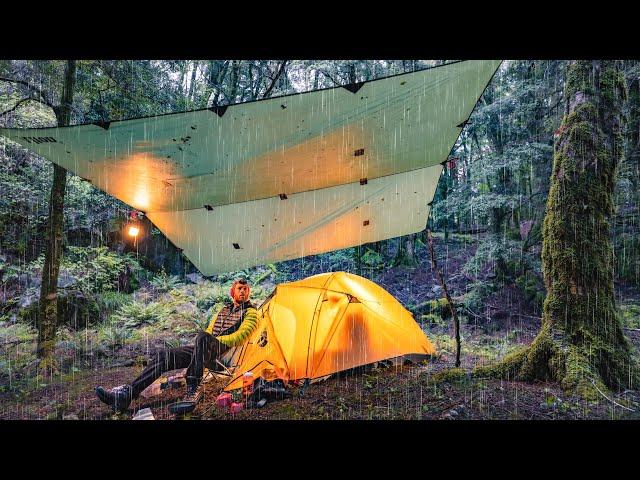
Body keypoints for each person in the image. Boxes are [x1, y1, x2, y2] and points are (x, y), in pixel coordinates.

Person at [95, 278, 259, 414]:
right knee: (165, 356)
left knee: (202, 336)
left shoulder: (251, 312)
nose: (243, 291)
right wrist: (205, 342)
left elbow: (241, 336)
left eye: (245, 289)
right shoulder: (223, 310)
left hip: (222, 355)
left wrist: (214, 341)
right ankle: (126, 395)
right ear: (233, 292)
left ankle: (193, 388)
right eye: (240, 288)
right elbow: (209, 330)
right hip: (205, 349)